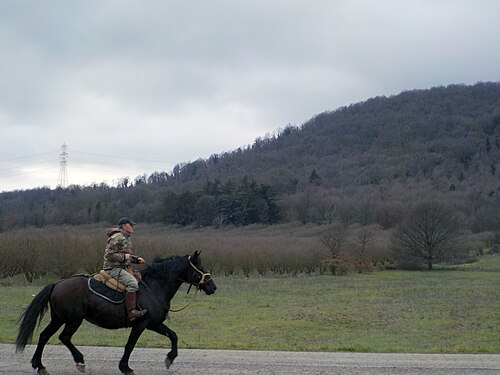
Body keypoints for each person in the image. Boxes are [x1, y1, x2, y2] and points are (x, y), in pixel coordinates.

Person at [103, 217, 147, 321]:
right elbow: (109, 255)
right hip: (113, 268)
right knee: (132, 283)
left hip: (124, 267)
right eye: (131, 225)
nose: (133, 227)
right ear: (124, 226)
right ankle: (131, 312)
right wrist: (124, 257)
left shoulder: (126, 237)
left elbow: (125, 254)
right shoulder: (117, 237)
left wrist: (136, 259)